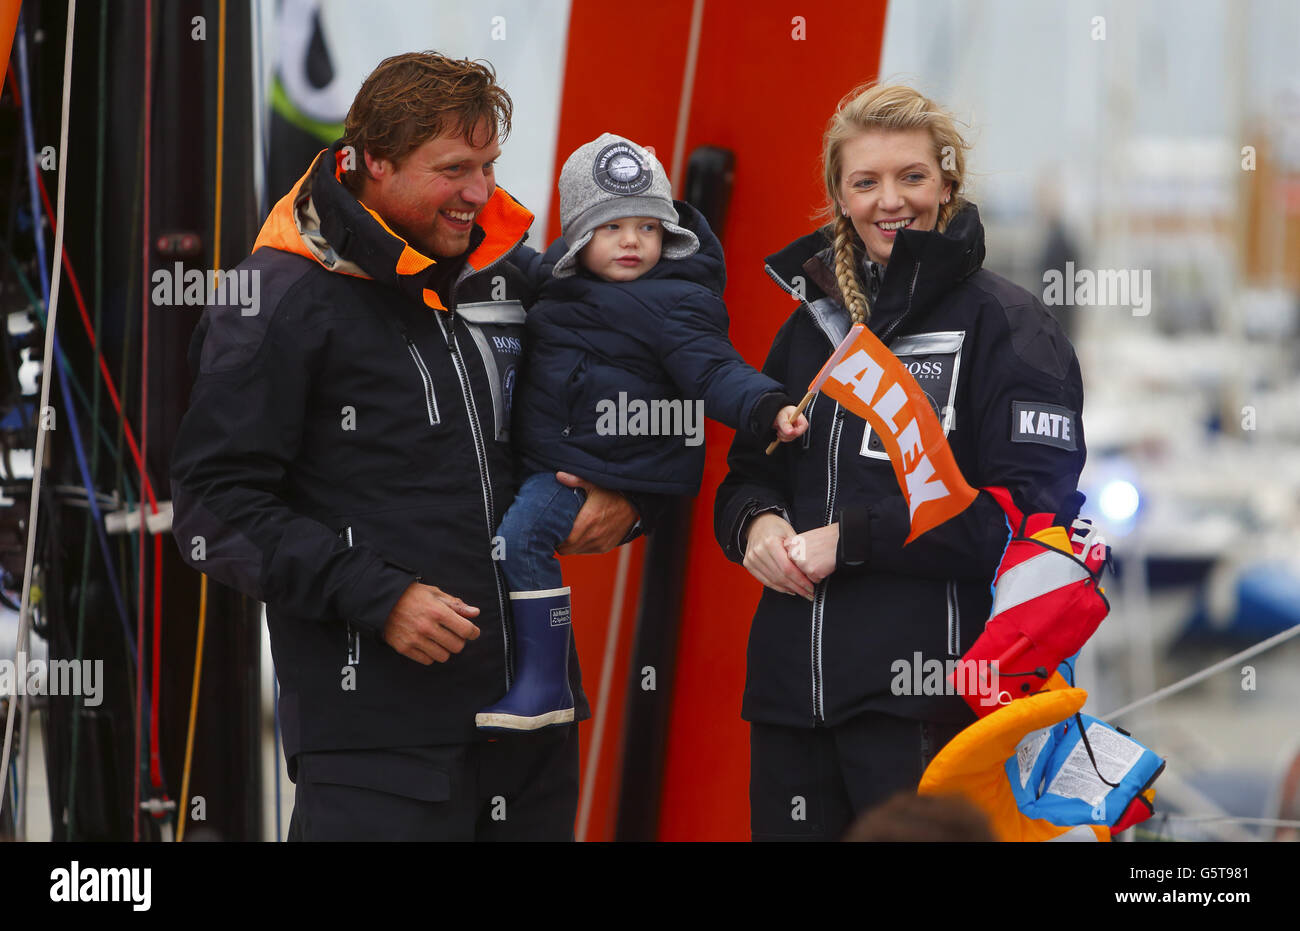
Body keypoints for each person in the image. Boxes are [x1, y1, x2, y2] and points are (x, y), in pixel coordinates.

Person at [170, 53, 645, 841]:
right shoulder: (276, 300)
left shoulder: (504, 271)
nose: (480, 193)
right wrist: (376, 596)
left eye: (489, 166)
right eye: (453, 169)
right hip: (375, 743)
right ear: (372, 163)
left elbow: (638, 359)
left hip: (535, 721)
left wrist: (631, 496)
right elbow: (211, 506)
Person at [713, 82, 1088, 842]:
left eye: (912, 176)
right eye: (867, 181)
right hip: (790, 704)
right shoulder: (810, 329)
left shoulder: (1008, 324)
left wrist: (850, 539)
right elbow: (745, 476)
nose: (892, 200)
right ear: (839, 196)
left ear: (946, 183)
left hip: (926, 710)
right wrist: (754, 524)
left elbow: (1025, 518)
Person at [478, 133, 806, 732]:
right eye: (611, 228)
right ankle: (525, 674)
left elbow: (715, 369)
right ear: (580, 238)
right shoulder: (559, 283)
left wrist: (766, 407)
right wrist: (478, 203)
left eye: (648, 227)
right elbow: (515, 255)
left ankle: (546, 682)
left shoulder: (675, 303)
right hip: (550, 455)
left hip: (591, 468)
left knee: (521, 539)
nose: (631, 241)